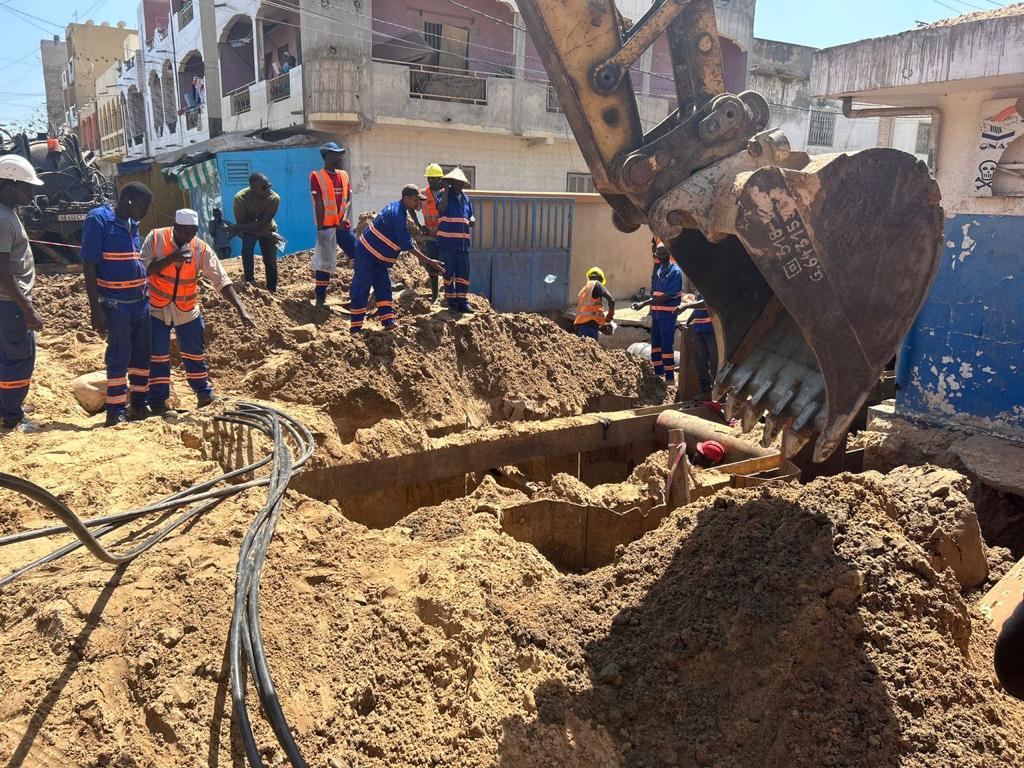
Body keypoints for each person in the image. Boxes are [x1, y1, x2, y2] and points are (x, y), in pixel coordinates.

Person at [142, 209, 255, 413]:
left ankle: (203, 393)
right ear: (175, 227)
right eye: (185, 232)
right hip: (157, 306)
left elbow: (221, 279)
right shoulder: (156, 238)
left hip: (186, 307)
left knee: (194, 352)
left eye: (192, 233)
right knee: (157, 354)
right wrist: (172, 258)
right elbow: (144, 269)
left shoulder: (200, 249)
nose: (189, 237)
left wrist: (241, 309)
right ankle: (158, 400)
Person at [81, 182, 153, 426]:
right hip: (115, 304)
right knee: (119, 356)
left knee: (142, 356)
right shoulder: (99, 220)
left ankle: (139, 405)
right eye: (144, 206)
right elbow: (89, 265)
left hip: (140, 302)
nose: (145, 212)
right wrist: (95, 309)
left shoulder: (133, 224)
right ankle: (115, 411)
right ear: (130, 200)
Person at [349, 184, 444, 334]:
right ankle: (355, 328)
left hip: (378, 259)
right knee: (361, 289)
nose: (418, 204)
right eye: (415, 200)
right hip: (367, 256)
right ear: (406, 198)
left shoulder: (397, 209)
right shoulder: (397, 216)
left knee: (384, 287)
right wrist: (431, 261)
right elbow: (408, 247)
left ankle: (388, 322)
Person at [0, 155, 44, 432]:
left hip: (8, 303)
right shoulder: (3, 220)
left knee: (7, 357)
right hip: (9, 305)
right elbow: (2, 272)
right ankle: (13, 416)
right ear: (8, 184)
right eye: (26, 187)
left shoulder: (8, 212)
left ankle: (8, 407)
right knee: (19, 358)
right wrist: (26, 307)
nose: (31, 193)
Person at [632, 242, 683, 382]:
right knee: (656, 346)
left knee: (667, 346)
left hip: (667, 315)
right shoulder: (660, 271)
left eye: (659, 253)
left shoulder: (675, 272)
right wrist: (648, 303)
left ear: (665, 255)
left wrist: (644, 303)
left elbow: (665, 296)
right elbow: (655, 294)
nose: (657, 256)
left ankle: (670, 377)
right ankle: (659, 373)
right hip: (657, 315)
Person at [310, 142, 351, 309]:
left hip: (342, 226)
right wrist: (321, 228)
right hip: (326, 226)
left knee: (360, 253)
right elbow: (319, 202)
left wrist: (343, 219)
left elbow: (347, 200)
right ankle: (320, 298)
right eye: (336, 154)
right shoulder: (316, 176)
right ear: (327, 156)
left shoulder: (344, 175)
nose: (340, 157)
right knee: (324, 264)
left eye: (340, 154)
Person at [231, 172, 280, 293]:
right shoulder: (240, 198)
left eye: (269, 185)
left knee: (270, 260)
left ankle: (272, 289)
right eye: (264, 187)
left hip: (267, 229)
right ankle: (249, 284)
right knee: (247, 250)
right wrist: (243, 227)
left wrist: (239, 227)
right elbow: (243, 224)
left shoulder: (274, 198)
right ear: (253, 188)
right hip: (249, 230)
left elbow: (263, 223)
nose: (268, 190)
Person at [435, 167, 475, 313]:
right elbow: (441, 208)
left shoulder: (466, 199)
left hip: (463, 245)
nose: (458, 186)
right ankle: (452, 302)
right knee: (448, 274)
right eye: (455, 183)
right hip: (447, 244)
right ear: (451, 183)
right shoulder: (443, 196)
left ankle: (462, 302)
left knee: (463, 274)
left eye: (460, 184)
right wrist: (445, 190)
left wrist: (472, 220)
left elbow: (470, 215)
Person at [677, 292, 717, 400]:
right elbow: (698, 310)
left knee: (716, 364)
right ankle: (706, 392)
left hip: (712, 331)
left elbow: (707, 303)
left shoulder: (712, 285)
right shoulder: (700, 289)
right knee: (700, 363)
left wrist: (686, 306)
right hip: (699, 330)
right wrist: (688, 321)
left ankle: (719, 394)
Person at [419, 163, 445, 303]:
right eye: (429, 178)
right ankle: (435, 295)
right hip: (430, 234)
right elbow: (412, 207)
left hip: (445, 234)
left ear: (440, 178)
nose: (431, 181)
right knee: (432, 265)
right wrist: (418, 225)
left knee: (446, 264)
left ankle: (448, 294)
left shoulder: (445, 192)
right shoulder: (423, 193)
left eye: (434, 178)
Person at [574, 267, 615, 341]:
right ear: (600, 278)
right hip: (590, 327)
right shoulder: (597, 284)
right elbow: (611, 300)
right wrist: (609, 318)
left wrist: (601, 325)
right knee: (591, 350)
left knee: (584, 350)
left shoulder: (583, 290)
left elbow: (588, 311)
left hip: (581, 326)